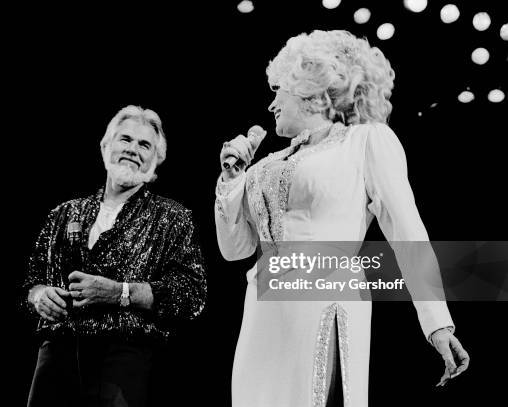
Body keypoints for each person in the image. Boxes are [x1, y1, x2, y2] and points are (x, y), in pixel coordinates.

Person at [214, 30, 469, 407]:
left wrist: (436, 321)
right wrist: (233, 180)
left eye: (277, 90)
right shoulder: (267, 163)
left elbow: (407, 232)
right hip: (263, 308)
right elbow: (235, 250)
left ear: (310, 89)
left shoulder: (366, 140)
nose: (271, 106)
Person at [23, 105, 207, 407]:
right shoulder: (64, 212)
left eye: (144, 145)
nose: (133, 150)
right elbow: (29, 285)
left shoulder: (173, 218)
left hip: (125, 362)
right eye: (125, 139)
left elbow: (191, 296)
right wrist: (39, 295)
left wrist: (119, 293)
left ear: (156, 160)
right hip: (57, 356)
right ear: (106, 146)